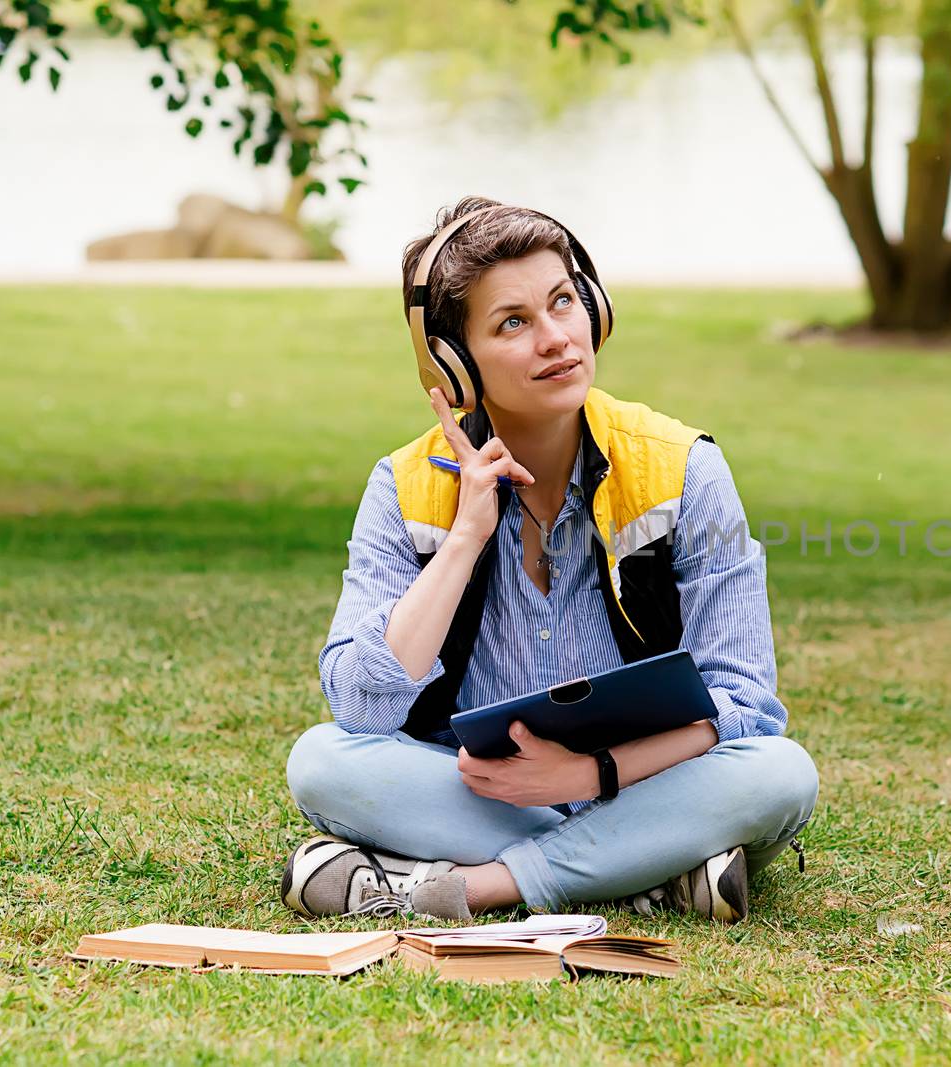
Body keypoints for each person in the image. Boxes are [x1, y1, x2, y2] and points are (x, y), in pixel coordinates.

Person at [278, 197, 818, 923]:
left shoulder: (682, 469)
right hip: (478, 791)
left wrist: (591, 773)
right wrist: (465, 536)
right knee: (321, 761)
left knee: (780, 774)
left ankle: (473, 886)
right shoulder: (405, 486)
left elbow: (745, 702)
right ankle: (644, 870)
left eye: (563, 302)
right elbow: (364, 708)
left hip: (644, 780)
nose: (557, 338)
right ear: (455, 364)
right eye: (513, 322)